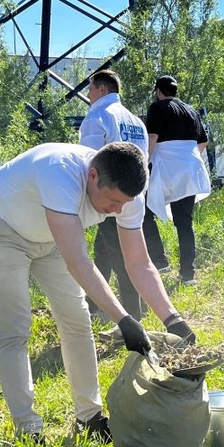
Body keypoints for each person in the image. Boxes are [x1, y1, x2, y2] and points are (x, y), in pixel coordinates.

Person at [0, 142, 194, 442]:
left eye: (124, 204)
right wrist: (124, 319)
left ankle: (90, 416)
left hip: (52, 237)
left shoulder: (128, 199)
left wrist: (173, 319)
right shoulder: (60, 173)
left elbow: (139, 263)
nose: (117, 210)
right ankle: (28, 428)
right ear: (92, 176)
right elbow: (78, 261)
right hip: (2, 227)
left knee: (77, 322)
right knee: (15, 330)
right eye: (113, 201)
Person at [79, 69, 149, 319]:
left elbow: (89, 159)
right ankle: (94, 303)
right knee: (104, 250)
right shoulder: (134, 119)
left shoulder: (97, 115)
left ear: (101, 89)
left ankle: (133, 315)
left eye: (90, 89)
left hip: (108, 196)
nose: (88, 95)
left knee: (122, 258)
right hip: (132, 194)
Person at [142, 75, 211, 284]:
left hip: (166, 169)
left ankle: (160, 262)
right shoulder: (191, 110)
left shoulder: (157, 107)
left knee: (145, 214)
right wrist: (186, 159)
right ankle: (188, 274)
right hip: (190, 170)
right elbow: (203, 142)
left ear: (158, 91)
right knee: (184, 223)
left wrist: (144, 162)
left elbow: (152, 137)